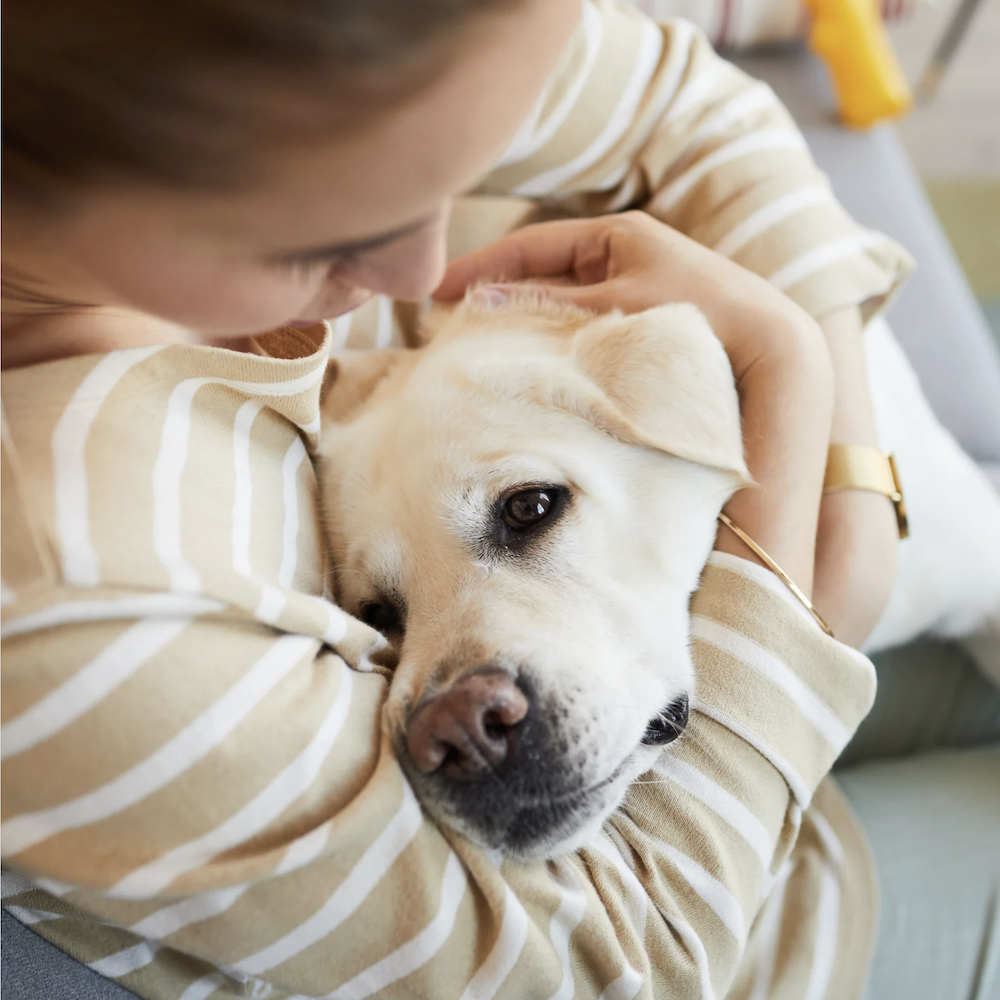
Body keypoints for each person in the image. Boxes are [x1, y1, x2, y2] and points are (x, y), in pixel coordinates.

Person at [2, 1, 996, 999]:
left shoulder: (392, 48)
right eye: (350, 210)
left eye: (452, 173)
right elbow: (632, 958)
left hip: (685, 708)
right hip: (721, 921)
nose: (427, 274)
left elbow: (694, 112)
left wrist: (848, 477)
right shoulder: (67, 592)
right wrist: (787, 383)